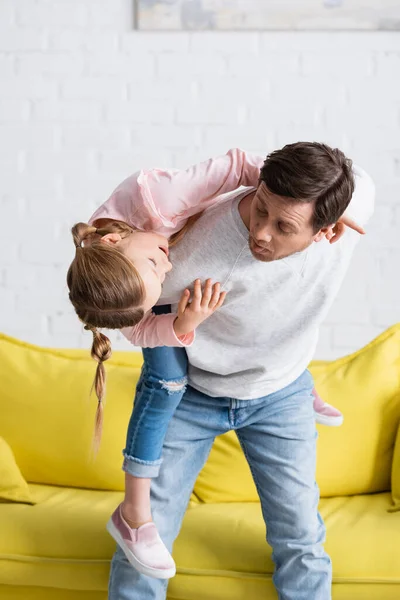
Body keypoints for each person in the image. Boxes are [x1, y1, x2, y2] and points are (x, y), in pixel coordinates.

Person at [68, 143, 373, 599]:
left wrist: (341, 205)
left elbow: (358, 182)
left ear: (325, 231)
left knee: (301, 537)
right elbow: (130, 319)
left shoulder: (355, 206)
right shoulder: (182, 254)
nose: (261, 232)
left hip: (280, 393)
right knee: (148, 539)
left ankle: (306, 390)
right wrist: (180, 324)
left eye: (283, 226)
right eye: (261, 207)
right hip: (194, 393)